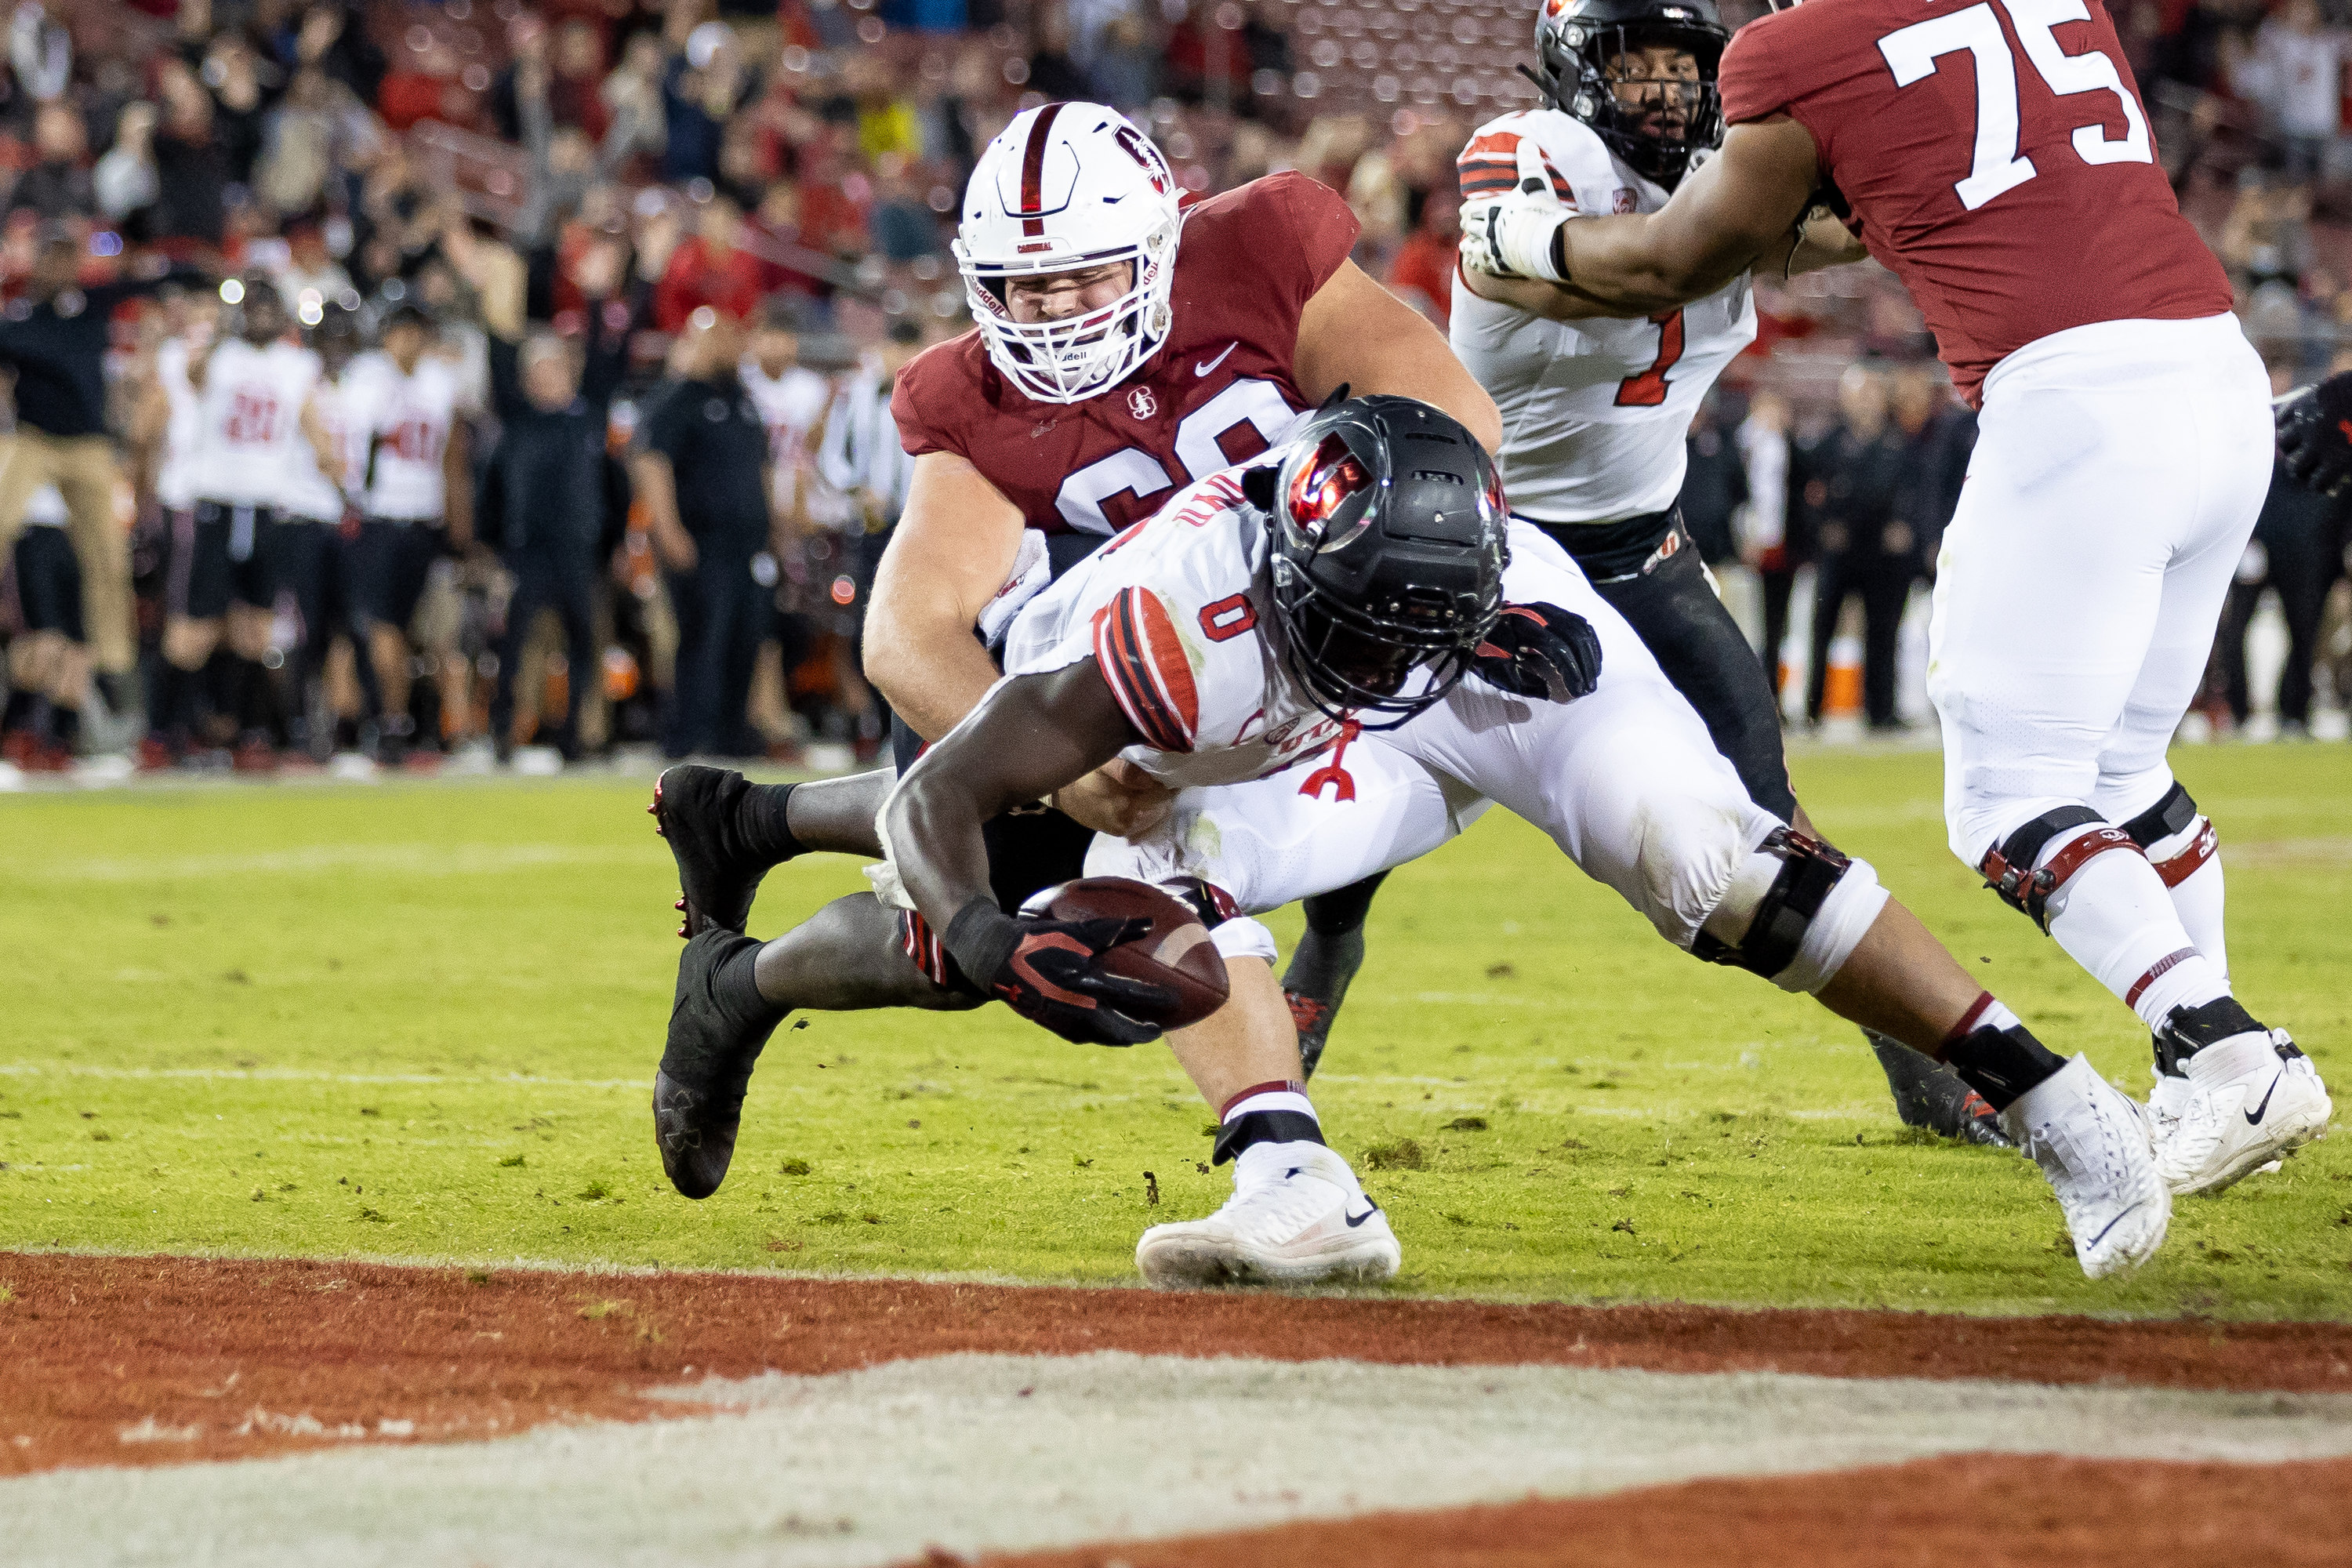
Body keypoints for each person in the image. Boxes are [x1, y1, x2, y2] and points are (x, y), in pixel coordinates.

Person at [664, 397, 2172, 1286]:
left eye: (1418, 625)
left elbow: (1496, 654)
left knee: (1716, 856)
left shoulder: (1477, 577)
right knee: (1115, 885)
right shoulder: (1172, 635)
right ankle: (1296, 1184)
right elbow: (942, 789)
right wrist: (996, 940)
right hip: (1228, 747)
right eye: (1365, 630)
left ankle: (2056, 1104)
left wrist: (1480, 654)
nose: (1388, 653)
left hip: (1436, 684)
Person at [1462, 0, 2331, 1195]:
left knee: (2007, 800)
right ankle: (2204, 1078)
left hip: (2075, 400)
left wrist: (1523, 246)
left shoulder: (1801, 45)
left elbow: (1677, 257)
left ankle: (2225, 1050)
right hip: (2215, 373)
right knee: (2124, 773)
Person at [648, 101, 1503, 1080]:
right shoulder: (971, 393)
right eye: (1021, 285)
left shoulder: (1261, 251)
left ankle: (752, 820)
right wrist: (1054, 774)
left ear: (1159, 248)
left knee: (1375, 621)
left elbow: (1455, 431)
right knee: (969, 948)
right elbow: (908, 631)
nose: (1053, 309)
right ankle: (738, 986)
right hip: (1042, 659)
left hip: (1229, 644)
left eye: (1083, 275)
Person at [1450, 0, 2001, 1144]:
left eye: (1678, 61)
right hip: (1483, 542)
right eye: (1631, 61)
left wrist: (1936, 171)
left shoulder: (1730, 175)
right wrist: (1757, 217)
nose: (1659, 85)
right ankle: (1304, 1008)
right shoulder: (1535, 152)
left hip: (1637, 544)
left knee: (1770, 814)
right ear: (1573, 69)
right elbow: (1594, 281)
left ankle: (1929, 1074)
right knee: (1370, 789)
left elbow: (1857, 227)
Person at [0, 230, 201, 717]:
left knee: (109, 560)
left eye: (68, 259)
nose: (60, 268)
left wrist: (194, 271)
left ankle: (115, 669)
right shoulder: (20, 317)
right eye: (53, 259)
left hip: (89, 445)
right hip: (35, 441)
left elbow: (153, 280)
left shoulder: (91, 304)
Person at [146, 276, 342, 770]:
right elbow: (191, 376)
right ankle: (161, 732)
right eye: (251, 307)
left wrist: (333, 465)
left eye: (266, 307)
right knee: (193, 629)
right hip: (216, 503)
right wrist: (216, 328)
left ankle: (247, 733)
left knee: (256, 631)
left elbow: (315, 428)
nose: (259, 315)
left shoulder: (297, 365)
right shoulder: (219, 357)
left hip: (267, 507)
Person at [480, 305, 633, 764]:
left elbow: (616, 489)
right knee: (513, 644)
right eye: (540, 371)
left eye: (557, 369)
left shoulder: (587, 419)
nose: (549, 379)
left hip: (578, 550)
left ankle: (576, 739)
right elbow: (498, 360)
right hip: (526, 549)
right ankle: (503, 735)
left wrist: (597, 296)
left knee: (585, 644)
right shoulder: (518, 421)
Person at [634, 307, 775, 760]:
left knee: (746, 639)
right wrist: (668, 529)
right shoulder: (676, 399)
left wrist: (774, 525)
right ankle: (686, 737)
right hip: (702, 541)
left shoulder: (742, 398)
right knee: (702, 640)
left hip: (748, 544)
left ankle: (731, 736)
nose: (734, 348)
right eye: (723, 340)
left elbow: (762, 466)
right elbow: (651, 463)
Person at [344, 300, 473, 768]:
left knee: (439, 632)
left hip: (426, 521)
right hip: (379, 517)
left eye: (416, 331)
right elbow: (358, 445)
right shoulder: (367, 378)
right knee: (383, 627)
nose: (409, 341)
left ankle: (453, 730)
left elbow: (452, 458)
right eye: (400, 331)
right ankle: (395, 722)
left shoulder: (440, 382)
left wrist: (462, 528)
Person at [1802, 362, 1914, 733]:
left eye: (1872, 393)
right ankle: (1813, 709)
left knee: (1883, 631)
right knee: (1824, 627)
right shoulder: (1830, 443)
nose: (1866, 402)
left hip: (1882, 552)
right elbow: (1808, 495)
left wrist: (1903, 525)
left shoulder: (1898, 444)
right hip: (1840, 549)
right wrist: (1823, 528)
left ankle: (1881, 711)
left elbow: (1912, 492)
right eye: (1860, 394)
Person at [1, 484, 87, 772]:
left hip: (74, 530)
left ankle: (59, 743)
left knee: (79, 647)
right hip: (28, 529)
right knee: (43, 643)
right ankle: (16, 733)